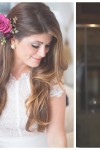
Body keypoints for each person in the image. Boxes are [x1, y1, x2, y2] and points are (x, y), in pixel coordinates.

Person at [0, 2, 68, 148]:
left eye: (47, 45)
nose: (43, 53)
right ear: (13, 40)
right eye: (35, 45)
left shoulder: (51, 80)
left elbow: (56, 138)